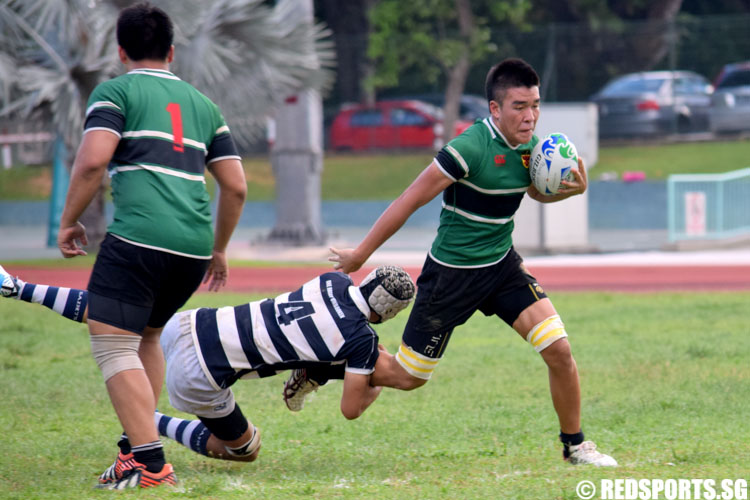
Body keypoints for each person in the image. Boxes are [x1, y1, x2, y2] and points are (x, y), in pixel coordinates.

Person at [308, 58, 617, 466]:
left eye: (535, 105)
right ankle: (330, 362)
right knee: (409, 377)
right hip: (451, 275)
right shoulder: (468, 148)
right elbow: (410, 200)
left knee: (558, 349)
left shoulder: (530, 146)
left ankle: (575, 446)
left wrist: (569, 192)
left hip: (502, 268)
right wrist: (361, 254)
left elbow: (534, 192)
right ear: (494, 108)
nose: (530, 117)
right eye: (519, 107)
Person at [55, 3, 247, 489]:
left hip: (140, 237)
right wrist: (219, 249)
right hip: (195, 247)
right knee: (147, 336)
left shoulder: (116, 92)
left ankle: (151, 464)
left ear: (121, 51)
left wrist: (69, 221)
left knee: (111, 340)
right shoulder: (204, 106)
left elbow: (93, 162)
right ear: (172, 51)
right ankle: (131, 450)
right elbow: (237, 186)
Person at [0, 264, 415, 486]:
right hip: (200, 372)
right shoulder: (360, 339)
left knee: (118, 312)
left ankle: (16, 287)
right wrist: (373, 372)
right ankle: (148, 425)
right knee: (246, 449)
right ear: (391, 312)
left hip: (193, 323)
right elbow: (351, 410)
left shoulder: (334, 280)